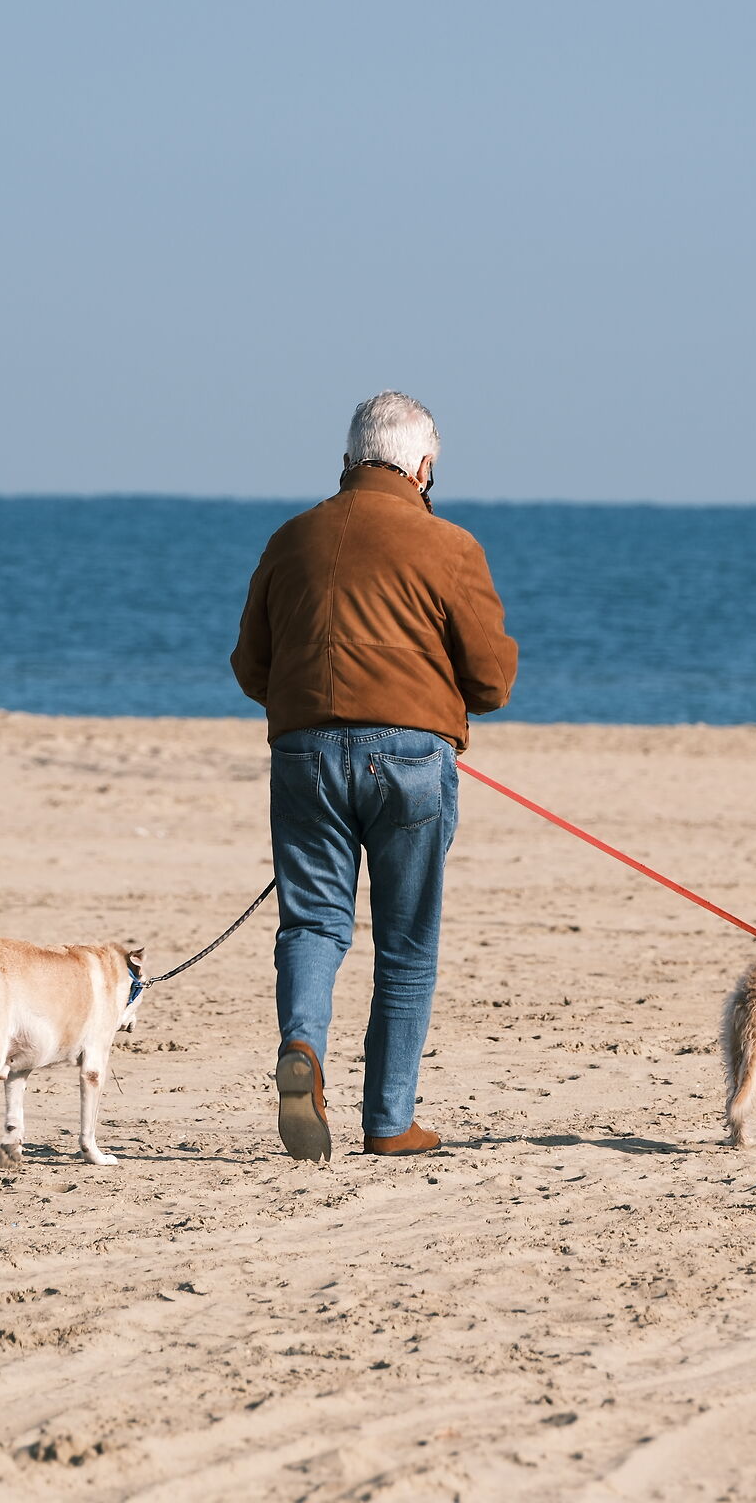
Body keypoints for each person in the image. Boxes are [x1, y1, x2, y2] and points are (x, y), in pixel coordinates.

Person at [229, 391, 518, 1160]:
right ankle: (389, 1121)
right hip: (412, 759)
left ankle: (303, 1048)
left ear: (348, 460)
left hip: (304, 754)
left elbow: (250, 667)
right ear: (424, 468)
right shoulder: (449, 545)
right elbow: (491, 682)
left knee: (315, 924)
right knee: (406, 945)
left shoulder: (290, 540)